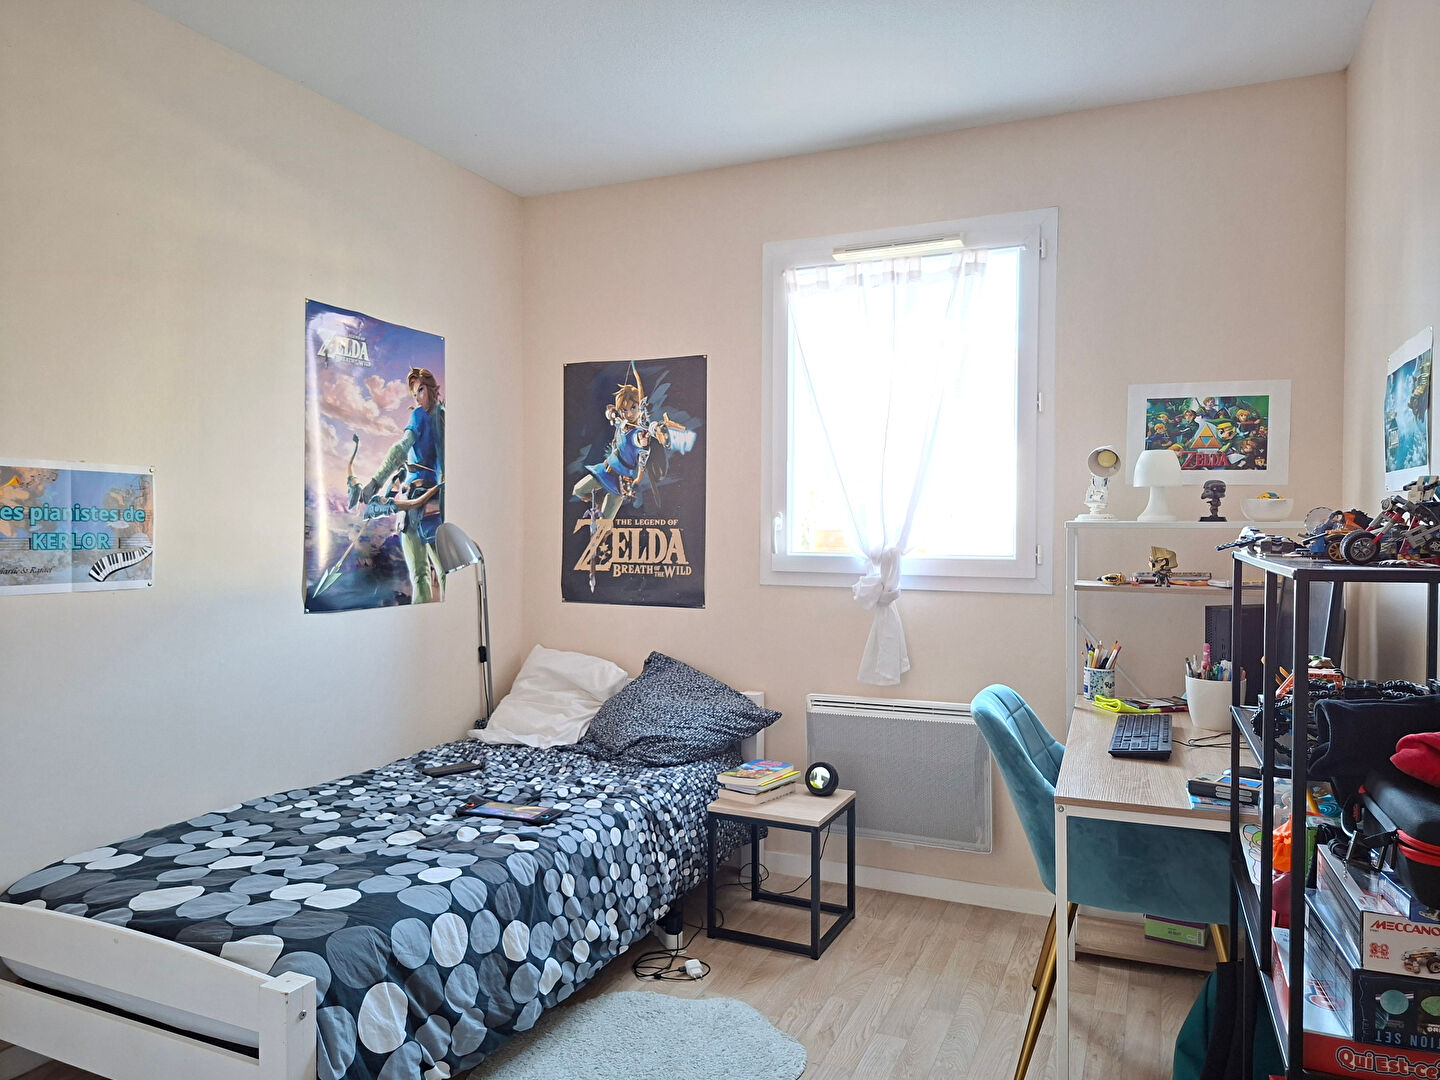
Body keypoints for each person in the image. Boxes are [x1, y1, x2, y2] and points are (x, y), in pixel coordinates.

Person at [360, 367, 445, 603]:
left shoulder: (426, 416)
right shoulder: (435, 416)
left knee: (431, 574)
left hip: (425, 502)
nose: (417, 398)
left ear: (432, 389)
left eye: (421, 390)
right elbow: (403, 451)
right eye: (414, 394)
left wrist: (376, 481)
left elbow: (401, 448)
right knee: (429, 574)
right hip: (422, 501)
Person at [572, 382, 655, 525]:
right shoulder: (622, 424)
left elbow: (640, 443)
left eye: (633, 408)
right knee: (578, 490)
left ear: (640, 409)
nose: (629, 414)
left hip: (619, 484)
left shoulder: (637, 433)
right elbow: (610, 412)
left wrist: (643, 442)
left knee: (604, 525)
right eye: (624, 410)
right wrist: (612, 413)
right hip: (604, 471)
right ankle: (599, 499)